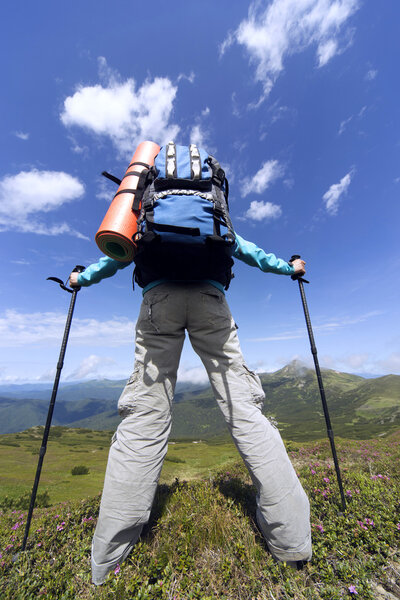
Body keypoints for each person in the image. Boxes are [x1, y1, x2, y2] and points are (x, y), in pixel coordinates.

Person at [69, 233, 311, 585]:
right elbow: (250, 252)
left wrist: (81, 278)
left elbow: (118, 255)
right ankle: (293, 544)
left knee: (144, 419)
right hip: (210, 300)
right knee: (245, 412)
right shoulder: (212, 207)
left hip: (158, 301)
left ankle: (107, 564)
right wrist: (289, 268)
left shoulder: (146, 210)